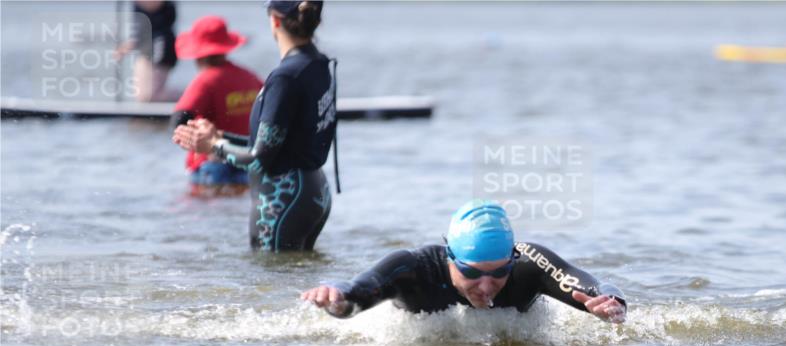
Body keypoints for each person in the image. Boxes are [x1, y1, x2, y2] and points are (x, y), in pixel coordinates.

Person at [172, 1, 339, 251]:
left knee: (269, 274)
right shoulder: (319, 64)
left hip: (282, 199)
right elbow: (280, 144)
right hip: (314, 190)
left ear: (275, 20)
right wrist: (222, 136)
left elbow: (258, 159)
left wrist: (214, 146)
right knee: (300, 272)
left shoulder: (285, 77)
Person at [300, 200, 627, 324]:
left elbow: (597, 287)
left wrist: (611, 304)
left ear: (512, 259)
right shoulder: (413, 268)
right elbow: (356, 292)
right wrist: (336, 300)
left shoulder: (529, 264)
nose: (486, 286)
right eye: (471, 272)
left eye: (500, 272)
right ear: (449, 257)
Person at [171, 16, 263, 196]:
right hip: (247, 162)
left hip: (213, 164)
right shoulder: (250, 77)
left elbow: (178, 120)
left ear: (198, 55)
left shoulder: (205, 80)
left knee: (200, 208)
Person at [115, 1, 178, 102]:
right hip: (145, 49)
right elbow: (140, 29)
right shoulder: (138, 7)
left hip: (161, 48)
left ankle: (190, 98)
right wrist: (129, 45)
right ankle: (190, 98)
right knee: (142, 96)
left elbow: (153, 6)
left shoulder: (163, 7)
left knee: (151, 95)